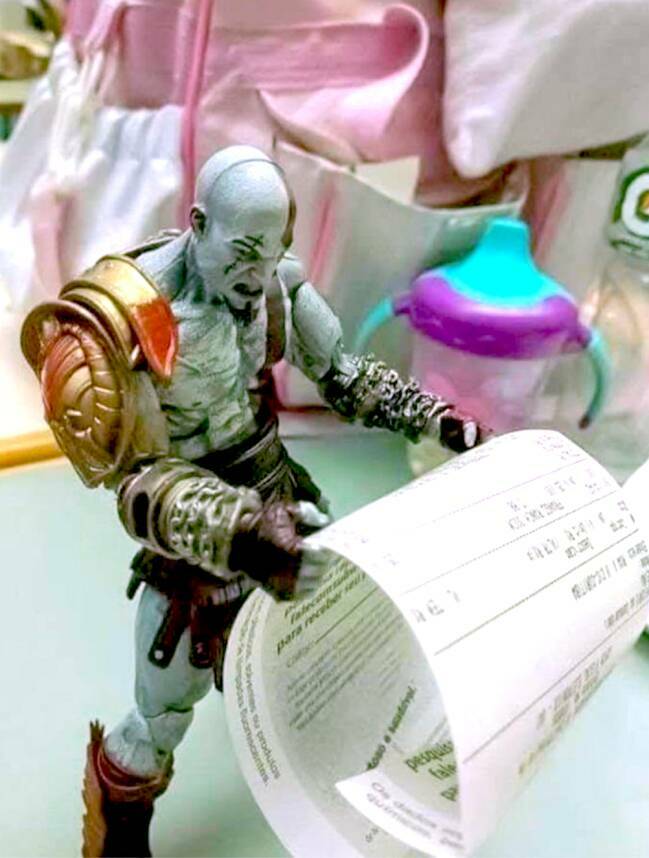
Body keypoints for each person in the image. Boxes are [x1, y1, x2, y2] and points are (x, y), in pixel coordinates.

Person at [21, 145, 486, 857]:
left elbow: (342, 377)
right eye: (241, 253)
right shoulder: (116, 330)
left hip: (285, 505)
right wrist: (240, 534)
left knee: (339, 652)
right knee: (159, 719)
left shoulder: (274, 285)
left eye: (269, 254)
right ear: (198, 223)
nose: (254, 274)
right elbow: (140, 486)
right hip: (197, 546)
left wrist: (436, 419)